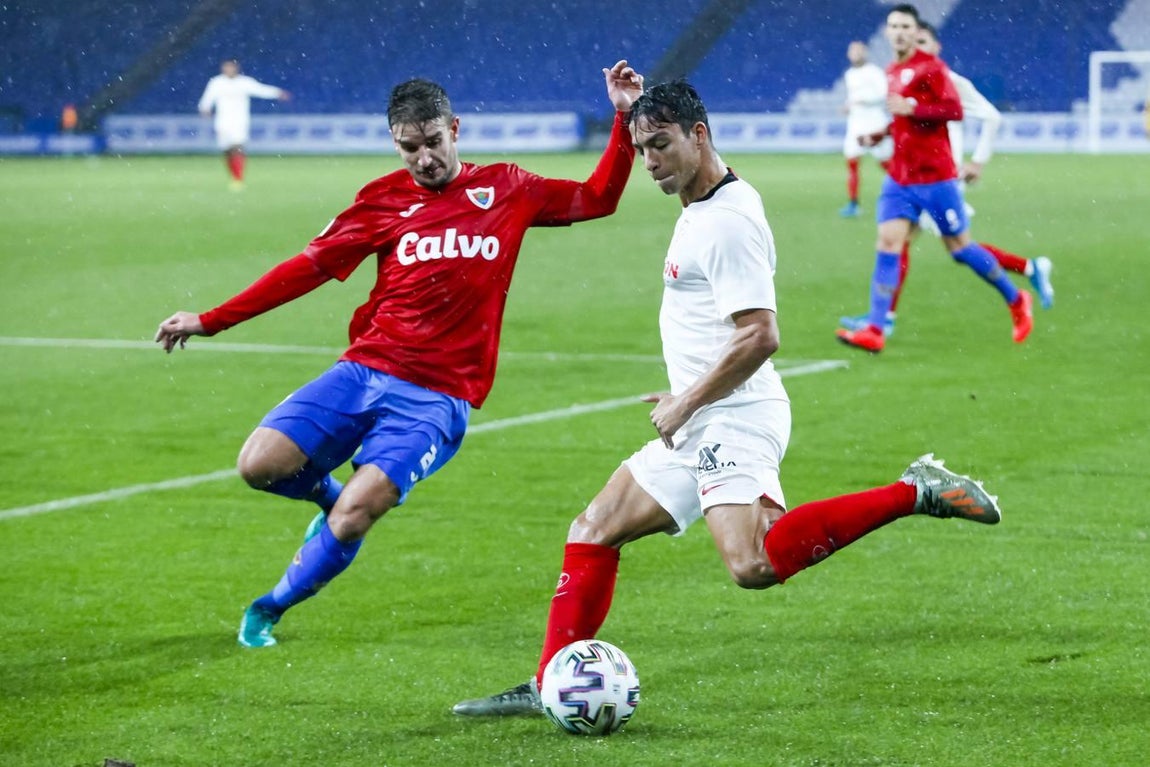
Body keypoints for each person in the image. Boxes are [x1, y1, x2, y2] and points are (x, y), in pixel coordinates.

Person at [452, 80, 1001, 718]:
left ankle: (914, 491)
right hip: (702, 415)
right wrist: (633, 111)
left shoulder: (726, 224)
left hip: (732, 417)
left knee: (752, 562)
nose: (650, 162)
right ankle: (551, 680)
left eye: (661, 145)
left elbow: (761, 335)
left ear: (699, 135)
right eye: (643, 149)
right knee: (594, 530)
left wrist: (688, 401)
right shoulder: (707, 199)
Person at [156, 61, 644, 648]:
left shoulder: (507, 188)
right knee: (258, 466)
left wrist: (623, 118)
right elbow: (306, 270)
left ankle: (270, 607)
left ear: (455, 130)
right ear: (395, 143)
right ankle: (324, 494)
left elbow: (597, 198)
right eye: (410, 148)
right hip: (365, 368)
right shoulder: (380, 201)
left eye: (434, 142)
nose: (425, 159)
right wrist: (211, 320)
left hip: (438, 396)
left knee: (357, 514)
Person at [835, 4, 1033, 354]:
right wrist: (880, 135)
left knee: (960, 249)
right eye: (893, 26)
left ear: (915, 32)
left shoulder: (932, 68)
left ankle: (1016, 299)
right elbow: (901, 119)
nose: (899, 32)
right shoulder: (892, 71)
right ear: (887, 32)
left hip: (936, 178)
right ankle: (876, 329)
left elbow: (953, 110)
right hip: (900, 178)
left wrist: (915, 108)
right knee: (889, 244)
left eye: (905, 26)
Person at [198, 58, 291, 190]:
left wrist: (277, 93)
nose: (229, 69)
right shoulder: (217, 82)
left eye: (231, 67)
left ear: (236, 68)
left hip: (239, 121)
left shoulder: (244, 82)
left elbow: (261, 89)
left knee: (238, 147)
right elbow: (208, 97)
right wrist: (204, 108)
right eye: (226, 67)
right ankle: (234, 176)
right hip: (223, 122)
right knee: (227, 151)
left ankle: (238, 179)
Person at [839, 41, 892, 218]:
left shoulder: (874, 72)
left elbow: (883, 94)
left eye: (858, 51)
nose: (855, 54)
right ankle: (853, 203)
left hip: (874, 122)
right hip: (856, 123)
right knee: (852, 162)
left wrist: (863, 100)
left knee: (886, 163)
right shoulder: (849, 74)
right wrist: (848, 105)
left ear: (865, 53)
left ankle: (907, 191)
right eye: (852, 51)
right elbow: (853, 97)